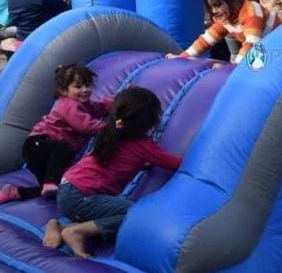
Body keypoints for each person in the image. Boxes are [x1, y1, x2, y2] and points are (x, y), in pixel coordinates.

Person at [43, 87, 181, 258]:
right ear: (149, 121)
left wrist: (141, 164)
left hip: (67, 189)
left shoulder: (110, 132)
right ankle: (76, 232)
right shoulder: (143, 146)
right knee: (134, 214)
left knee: (111, 210)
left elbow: (117, 160)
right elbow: (176, 163)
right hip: (81, 198)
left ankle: (58, 226)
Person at [0, 64, 113, 207]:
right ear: (62, 90)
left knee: (60, 189)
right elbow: (85, 126)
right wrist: (111, 128)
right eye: (78, 87)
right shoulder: (68, 104)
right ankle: (49, 182)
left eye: (87, 85)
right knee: (64, 148)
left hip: (46, 152)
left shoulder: (85, 104)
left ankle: (15, 192)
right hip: (40, 145)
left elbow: (99, 107)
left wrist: (115, 101)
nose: (84, 90)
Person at [168, 0, 282, 65]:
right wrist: (182, 57)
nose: (214, 11)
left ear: (233, 0)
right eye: (210, 7)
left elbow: (251, 44)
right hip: (266, 47)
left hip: (281, 45)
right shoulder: (227, 17)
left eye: (217, 5)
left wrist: (232, 68)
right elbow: (206, 40)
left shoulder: (250, 11)